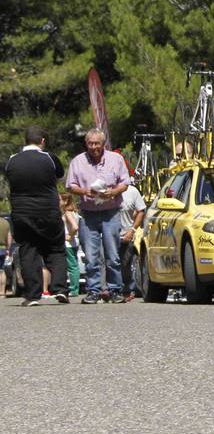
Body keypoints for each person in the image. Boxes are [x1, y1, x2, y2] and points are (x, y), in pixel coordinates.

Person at [3, 126, 70, 305]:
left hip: (22, 213)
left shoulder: (12, 160)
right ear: (42, 141)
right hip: (48, 211)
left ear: (25, 141)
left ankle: (33, 295)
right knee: (56, 249)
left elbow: (9, 177)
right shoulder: (49, 158)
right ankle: (60, 289)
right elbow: (60, 174)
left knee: (28, 251)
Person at [65, 128, 131, 303]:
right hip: (88, 214)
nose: (93, 147)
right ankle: (93, 290)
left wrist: (113, 192)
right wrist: (85, 191)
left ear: (103, 144)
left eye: (97, 143)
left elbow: (125, 182)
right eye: (90, 143)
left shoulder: (116, 160)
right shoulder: (78, 161)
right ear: (86, 144)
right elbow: (70, 185)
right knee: (91, 256)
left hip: (111, 212)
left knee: (112, 255)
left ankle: (115, 290)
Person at [117, 176, 147, 300]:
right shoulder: (105, 188)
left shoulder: (132, 191)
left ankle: (127, 289)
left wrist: (133, 230)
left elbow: (141, 210)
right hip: (107, 234)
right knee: (107, 263)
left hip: (126, 234)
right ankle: (108, 289)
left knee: (125, 263)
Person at [60, 192, 81, 295]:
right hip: (74, 243)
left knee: (72, 266)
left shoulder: (68, 213)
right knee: (74, 265)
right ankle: (74, 288)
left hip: (69, 243)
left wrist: (70, 235)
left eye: (59, 200)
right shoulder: (74, 213)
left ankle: (73, 289)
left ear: (66, 201)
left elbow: (75, 227)